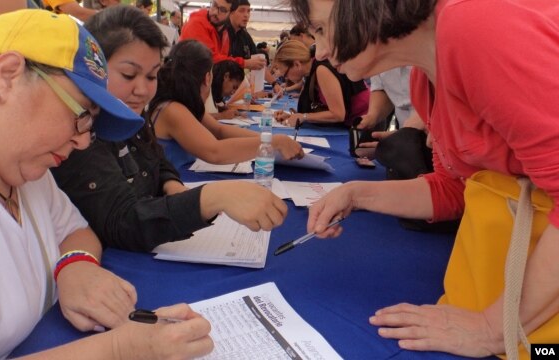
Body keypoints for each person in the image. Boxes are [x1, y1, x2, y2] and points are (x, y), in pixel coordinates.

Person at [0, 9, 212, 359]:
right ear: (7, 76)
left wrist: (74, 265)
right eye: (81, 115)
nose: (84, 141)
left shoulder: (21, 168)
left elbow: (75, 230)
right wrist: (119, 349)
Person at [289, 0, 559, 357]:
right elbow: (455, 189)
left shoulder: (476, 29)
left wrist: (493, 328)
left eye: (321, 30)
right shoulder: (424, 78)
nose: (320, 52)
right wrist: (355, 195)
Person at [52, 6, 288, 253]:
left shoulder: (132, 113)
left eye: (152, 76)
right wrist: (211, 197)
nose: (142, 90)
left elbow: (156, 161)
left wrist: (171, 185)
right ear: (93, 69)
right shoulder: (80, 135)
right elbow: (122, 221)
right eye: (128, 74)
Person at [149, 39, 304, 169]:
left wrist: (269, 140)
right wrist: (274, 142)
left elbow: (220, 130)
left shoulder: (185, 104)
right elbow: (215, 151)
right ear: (207, 77)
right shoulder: (172, 109)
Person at [273, 40, 369, 128]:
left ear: (297, 64)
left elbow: (338, 114)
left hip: (365, 121)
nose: (286, 79)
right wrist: (293, 117)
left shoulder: (322, 70)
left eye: (286, 74)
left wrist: (304, 116)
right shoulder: (311, 69)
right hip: (353, 121)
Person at [179, 0, 265, 70]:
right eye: (214, 5)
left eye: (222, 10)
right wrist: (245, 63)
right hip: (186, 85)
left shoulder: (224, 32)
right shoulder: (196, 24)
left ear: (231, 14)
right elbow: (209, 59)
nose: (215, 12)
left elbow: (222, 64)